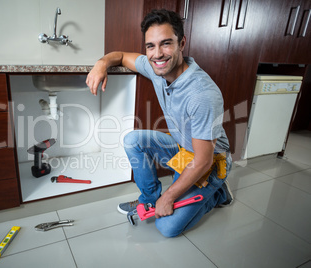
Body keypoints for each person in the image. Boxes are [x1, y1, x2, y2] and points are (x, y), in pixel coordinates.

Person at [86, 9, 233, 238]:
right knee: (132, 140)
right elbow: (123, 56)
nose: (157, 54)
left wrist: (169, 196)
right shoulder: (156, 67)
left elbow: (203, 161)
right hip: (184, 150)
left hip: (211, 163)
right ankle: (148, 199)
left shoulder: (202, 94)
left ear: (181, 43)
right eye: (150, 46)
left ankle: (218, 194)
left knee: (167, 228)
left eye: (166, 44)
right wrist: (101, 63)